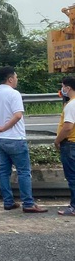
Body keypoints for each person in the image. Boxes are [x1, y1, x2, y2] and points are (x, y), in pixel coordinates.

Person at [0, 66, 47, 213]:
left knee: (4, 171)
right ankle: (28, 203)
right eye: (16, 77)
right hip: (15, 138)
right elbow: (18, 115)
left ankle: (8, 201)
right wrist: (4, 127)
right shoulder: (14, 94)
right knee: (23, 171)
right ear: (10, 79)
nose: (17, 79)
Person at [55, 76, 75, 216]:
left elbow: (68, 127)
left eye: (63, 87)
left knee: (72, 177)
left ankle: (73, 207)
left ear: (68, 88)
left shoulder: (71, 105)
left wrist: (57, 140)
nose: (62, 89)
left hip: (70, 145)